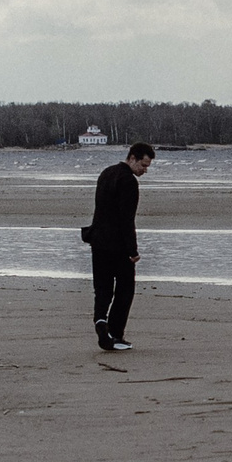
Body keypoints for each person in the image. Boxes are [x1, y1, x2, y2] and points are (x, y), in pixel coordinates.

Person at [83, 142, 155, 350]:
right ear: (132, 158)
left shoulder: (106, 173)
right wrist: (133, 251)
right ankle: (115, 334)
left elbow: (101, 209)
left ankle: (100, 321)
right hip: (118, 245)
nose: (145, 170)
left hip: (98, 240)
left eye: (147, 166)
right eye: (143, 165)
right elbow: (126, 219)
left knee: (102, 288)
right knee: (125, 290)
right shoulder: (129, 182)